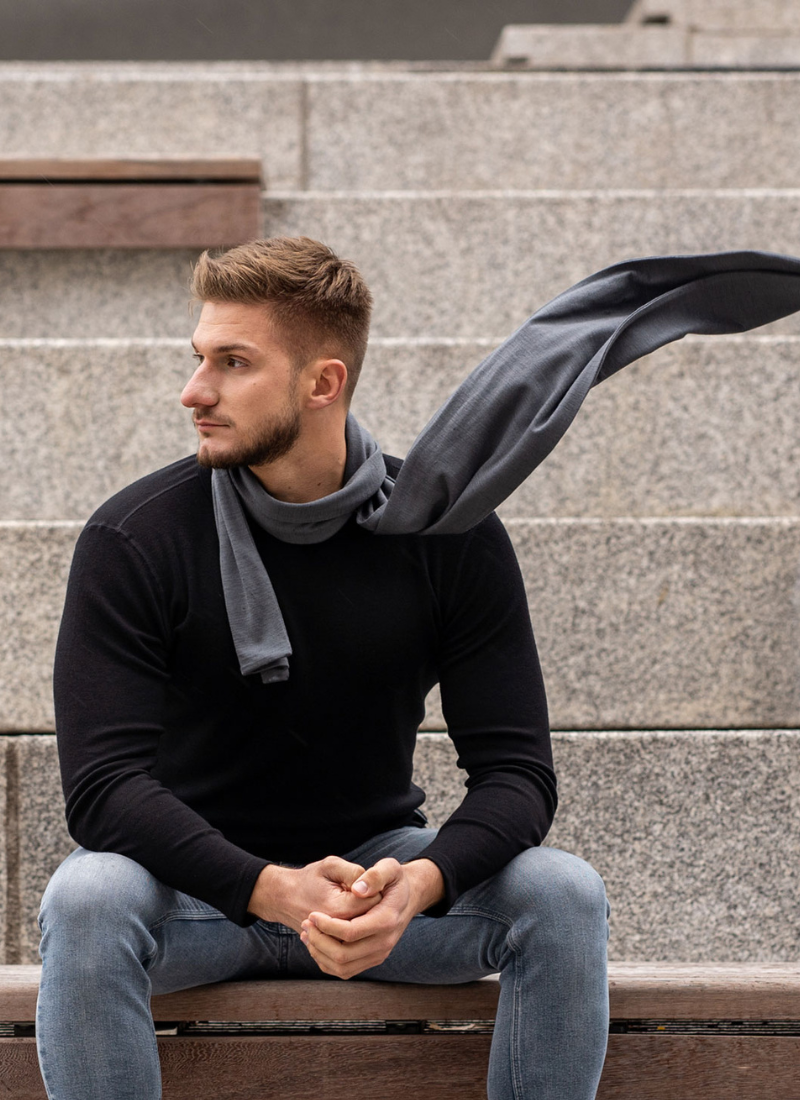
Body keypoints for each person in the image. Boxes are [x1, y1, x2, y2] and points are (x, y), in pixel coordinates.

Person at [37, 236, 610, 1100]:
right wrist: (268, 889)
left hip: (375, 885)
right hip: (190, 896)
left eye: (233, 363)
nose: (194, 392)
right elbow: (103, 787)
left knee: (562, 892)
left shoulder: (448, 533)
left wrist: (420, 883)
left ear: (322, 383)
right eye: (200, 359)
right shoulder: (135, 539)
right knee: (87, 898)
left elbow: (519, 773)